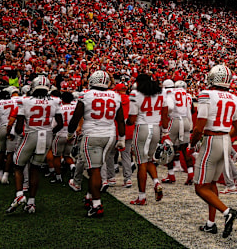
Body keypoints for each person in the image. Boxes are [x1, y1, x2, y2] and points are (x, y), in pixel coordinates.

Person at [190, 65, 237, 238]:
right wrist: (225, 138)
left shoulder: (206, 94)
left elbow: (199, 127)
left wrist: (193, 144)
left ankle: (227, 212)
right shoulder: (234, 97)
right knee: (211, 184)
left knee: (199, 187)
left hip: (212, 141)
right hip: (225, 140)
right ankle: (210, 224)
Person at [68, 70, 125, 217]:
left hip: (92, 134)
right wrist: (121, 139)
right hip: (110, 136)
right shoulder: (115, 96)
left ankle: (96, 205)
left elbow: (76, 117)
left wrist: (70, 133)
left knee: (94, 170)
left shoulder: (86, 95)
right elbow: (120, 120)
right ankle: (89, 196)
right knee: (97, 169)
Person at [6, 75, 63, 214]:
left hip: (31, 135)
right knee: (35, 168)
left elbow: (19, 127)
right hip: (47, 135)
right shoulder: (55, 101)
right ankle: (31, 202)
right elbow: (60, 124)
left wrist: (20, 134)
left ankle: (19, 195)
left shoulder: (24, 101)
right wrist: (50, 132)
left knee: (18, 166)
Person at [127, 73, 168, 205]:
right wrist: (165, 132)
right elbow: (165, 113)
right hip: (156, 128)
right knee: (149, 159)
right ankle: (156, 182)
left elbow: (132, 118)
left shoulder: (135, 94)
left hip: (142, 128)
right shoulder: (161, 92)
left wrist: (126, 122)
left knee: (141, 163)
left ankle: (142, 196)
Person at [161, 79, 195, 185]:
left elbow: (170, 107)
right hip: (185, 120)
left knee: (169, 149)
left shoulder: (169, 92)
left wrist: (167, 114)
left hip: (174, 120)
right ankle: (191, 174)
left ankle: (171, 175)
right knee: (185, 149)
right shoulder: (185, 93)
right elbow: (189, 110)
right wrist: (190, 125)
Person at [49, 91, 77, 185]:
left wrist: (52, 132)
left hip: (60, 134)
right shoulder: (75, 108)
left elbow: (54, 124)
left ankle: (58, 177)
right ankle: (72, 165)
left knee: (56, 156)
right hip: (71, 135)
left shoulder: (59, 108)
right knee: (67, 155)